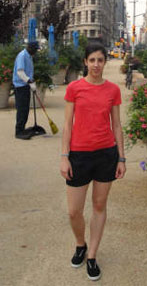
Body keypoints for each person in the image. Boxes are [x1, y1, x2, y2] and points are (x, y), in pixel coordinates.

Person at [60, 42, 126, 281]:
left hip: (106, 154)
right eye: (92, 60)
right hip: (79, 155)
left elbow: (117, 125)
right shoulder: (74, 88)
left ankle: (92, 256)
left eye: (100, 60)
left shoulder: (113, 90)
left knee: (99, 206)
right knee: (73, 211)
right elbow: (68, 125)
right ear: (85, 62)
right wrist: (64, 156)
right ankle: (80, 244)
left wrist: (121, 158)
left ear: (105, 62)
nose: (96, 65)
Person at [12, 42, 43, 140]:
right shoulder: (22, 56)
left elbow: (28, 72)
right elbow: (20, 72)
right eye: (35, 49)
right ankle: (19, 131)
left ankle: (22, 128)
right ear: (29, 48)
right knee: (22, 109)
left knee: (25, 109)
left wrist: (31, 82)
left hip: (25, 85)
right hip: (20, 86)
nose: (35, 52)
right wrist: (29, 81)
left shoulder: (29, 56)